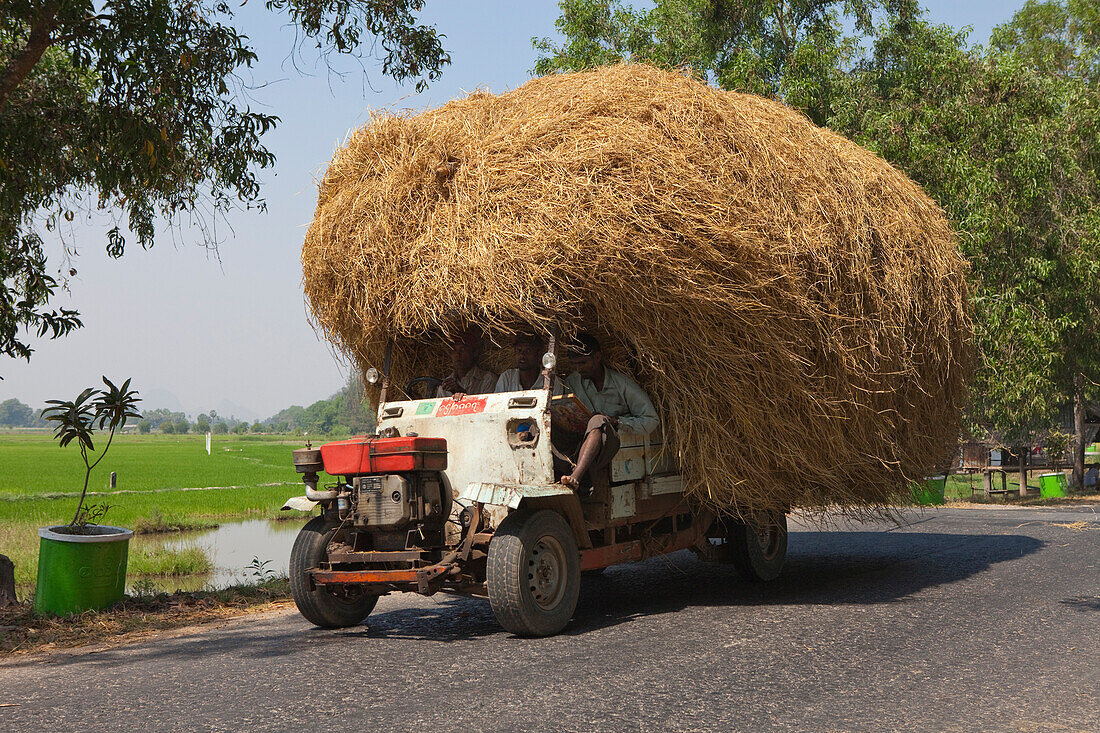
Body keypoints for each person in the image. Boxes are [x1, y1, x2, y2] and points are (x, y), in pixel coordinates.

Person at [558, 333, 658, 492]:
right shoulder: (572, 382)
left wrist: (617, 421)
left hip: (609, 445)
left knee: (598, 420)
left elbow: (651, 420)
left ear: (597, 357)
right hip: (578, 442)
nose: (578, 368)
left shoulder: (622, 384)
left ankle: (576, 476)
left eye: (583, 363)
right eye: (574, 364)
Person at [435, 329, 497, 398]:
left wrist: (463, 393)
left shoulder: (488, 380)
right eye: (454, 350)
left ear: (474, 353)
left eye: (462, 350)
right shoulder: (445, 385)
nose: (457, 354)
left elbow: (490, 406)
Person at [495, 333, 563, 393]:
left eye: (528, 351)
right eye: (519, 350)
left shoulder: (551, 381)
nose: (522, 355)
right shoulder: (507, 378)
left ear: (539, 355)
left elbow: (558, 406)